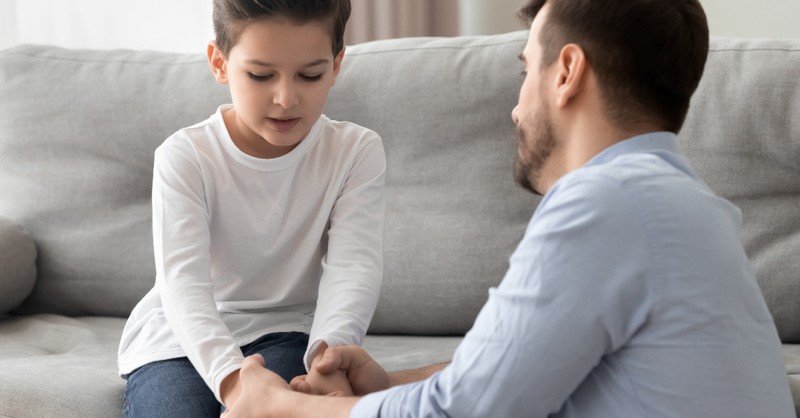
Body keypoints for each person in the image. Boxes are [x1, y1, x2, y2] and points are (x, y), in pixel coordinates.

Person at [221, 0, 797, 417]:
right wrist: (385, 383)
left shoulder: (605, 203)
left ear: (566, 73)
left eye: (527, 71)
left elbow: (464, 412)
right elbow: (532, 368)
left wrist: (278, 408)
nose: (516, 110)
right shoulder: (691, 206)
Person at [117, 0, 386, 416]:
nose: (285, 98)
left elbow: (354, 268)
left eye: (310, 75)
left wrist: (327, 358)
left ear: (335, 66)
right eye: (261, 75)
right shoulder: (185, 156)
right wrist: (233, 381)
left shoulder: (355, 151)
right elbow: (183, 284)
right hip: (179, 341)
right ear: (219, 63)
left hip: (285, 332)